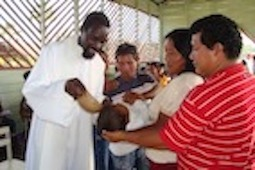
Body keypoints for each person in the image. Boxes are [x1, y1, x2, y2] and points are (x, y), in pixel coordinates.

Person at [103, 14, 255, 169]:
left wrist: (122, 136)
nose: (191, 55)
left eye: (195, 49)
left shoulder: (206, 95)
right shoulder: (248, 82)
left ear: (216, 49)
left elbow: (167, 139)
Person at [22, 11, 110, 170]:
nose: (97, 46)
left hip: (80, 136)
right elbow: (32, 90)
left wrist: (104, 104)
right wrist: (63, 87)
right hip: (51, 135)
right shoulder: (53, 52)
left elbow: (95, 98)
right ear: (82, 30)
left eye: (102, 42)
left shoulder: (98, 64)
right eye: (94, 38)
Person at [108, 29, 204, 170]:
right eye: (121, 63)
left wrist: (123, 136)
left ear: (187, 55)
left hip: (166, 160)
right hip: (152, 152)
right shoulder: (182, 81)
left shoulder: (184, 83)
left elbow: (163, 132)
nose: (166, 59)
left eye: (171, 53)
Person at [104, 43, 155, 170]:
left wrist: (141, 97)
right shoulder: (111, 87)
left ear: (137, 60)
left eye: (129, 63)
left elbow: (159, 93)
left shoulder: (147, 80)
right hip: (123, 146)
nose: (125, 68)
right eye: (121, 63)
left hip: (146, 140)